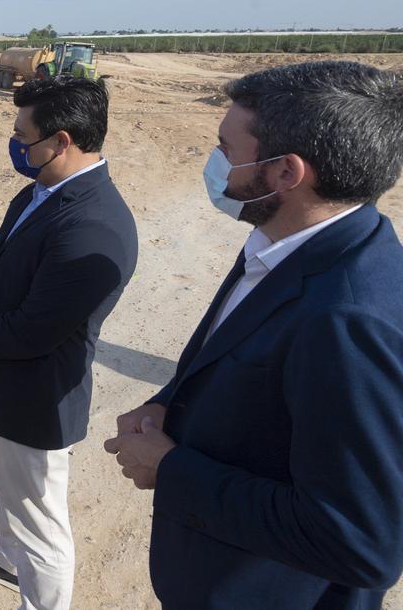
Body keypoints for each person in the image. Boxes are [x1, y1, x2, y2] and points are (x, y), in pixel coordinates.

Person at [104, 61, 403, 608]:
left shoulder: (347, 318)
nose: (214, 163)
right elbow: (238, 360)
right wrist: (169, 402)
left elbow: (361, 541)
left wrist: (170, 468)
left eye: (226, 147)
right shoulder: (285, 244)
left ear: (287, 173)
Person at [0, 76, 138, 610]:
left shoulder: (93, 225)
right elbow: (7, 257)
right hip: (0, 384)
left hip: (34, 402)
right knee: (11, 494)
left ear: (63, 140)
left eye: (23, 135)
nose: (16, 144)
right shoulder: (42, 191)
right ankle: (8, 561)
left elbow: (35, 329)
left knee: (41, 525)